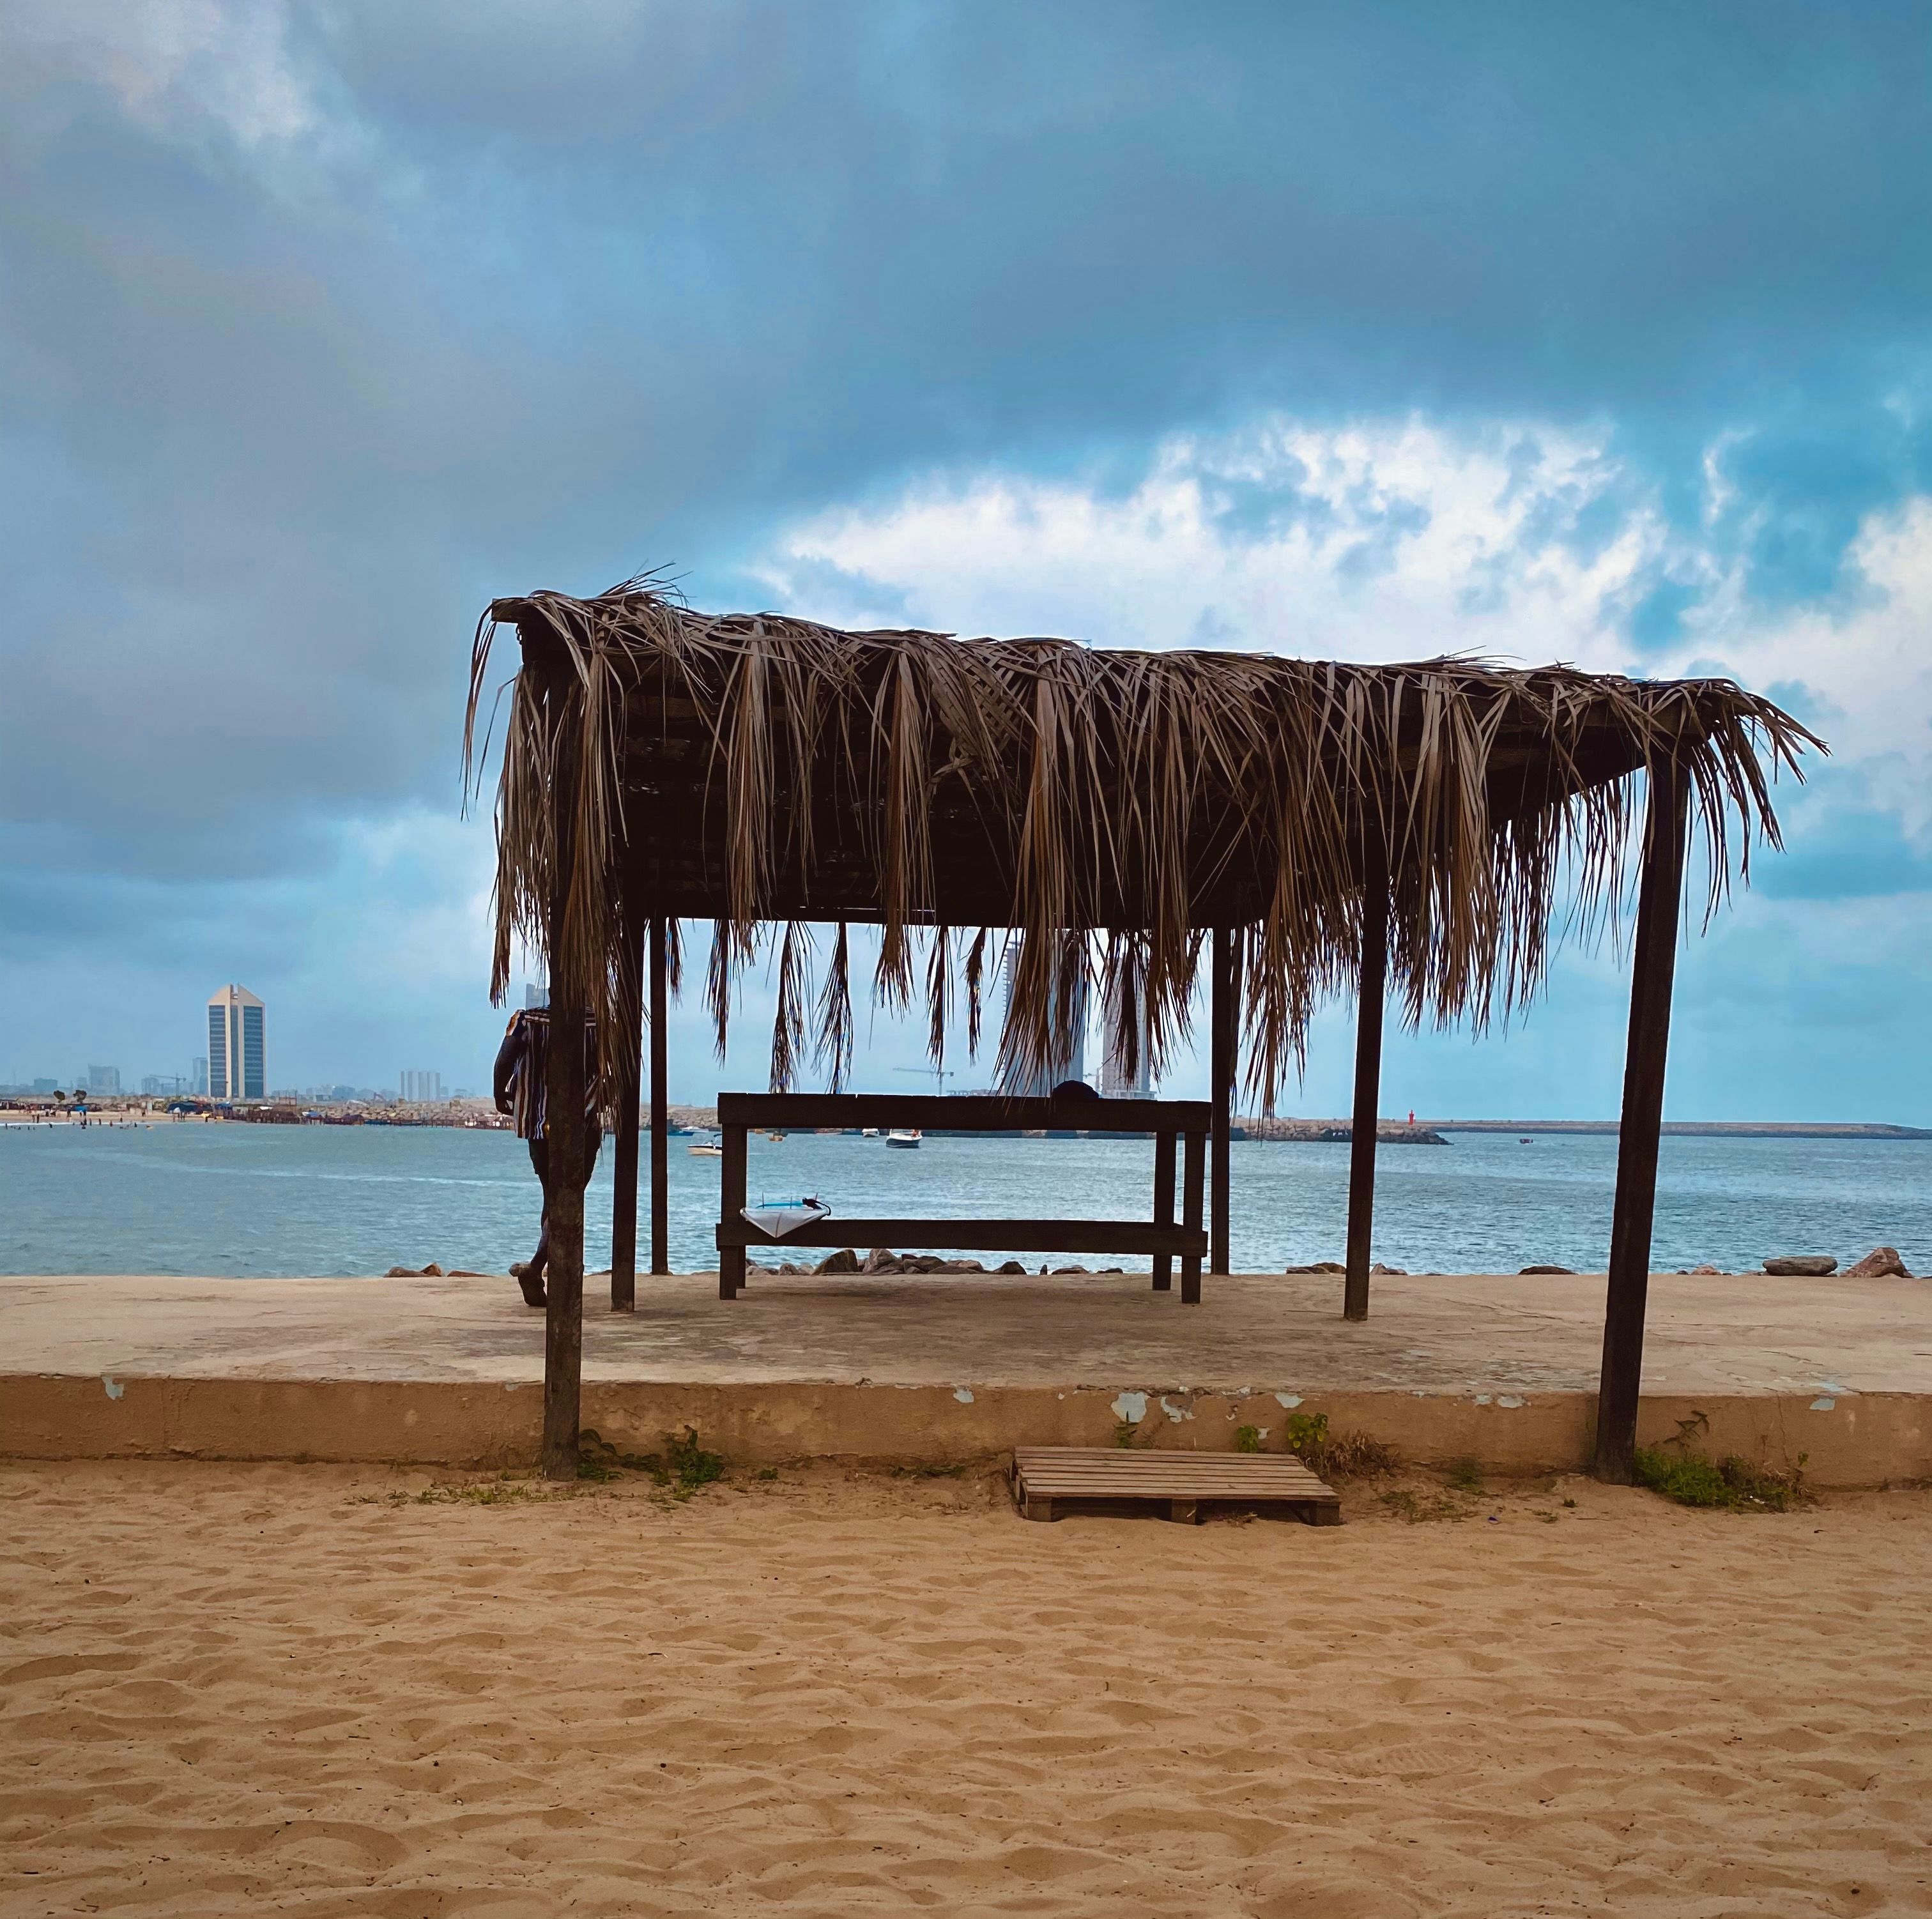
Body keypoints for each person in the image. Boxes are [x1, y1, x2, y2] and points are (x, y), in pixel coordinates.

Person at [493, 1004, 601, 1309]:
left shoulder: (528, 1020)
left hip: (539, 1124)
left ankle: (545, 1268)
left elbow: (504, 1061)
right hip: (583, 1121)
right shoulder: (600, 1024)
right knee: (568, 1197)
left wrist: (500, 1094)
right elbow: (614, 1070)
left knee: (552, 1196)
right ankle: (542, 1266)